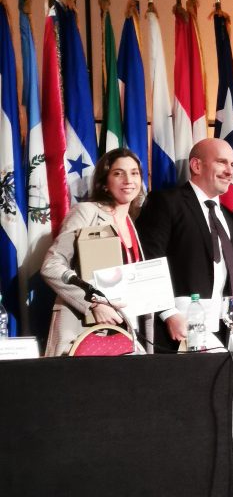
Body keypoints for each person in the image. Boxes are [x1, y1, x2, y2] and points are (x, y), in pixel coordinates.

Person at [137, 137, 233, 350]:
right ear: (196, 165)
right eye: (221, 162)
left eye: (232, 165)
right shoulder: (166, 203)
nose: (229, 171)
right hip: (175, 331)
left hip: (221, 329)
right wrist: (168, 313)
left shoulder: (230, 218)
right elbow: (148, 260)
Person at [41, 147, 146, 357]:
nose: (128, 180)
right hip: (81, 328)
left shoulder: (131, 223)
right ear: (105, 183)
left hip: (123, 328)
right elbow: (51, 265)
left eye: (134, 173)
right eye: (118, 173)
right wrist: (92, 304)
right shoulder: (86, 212)